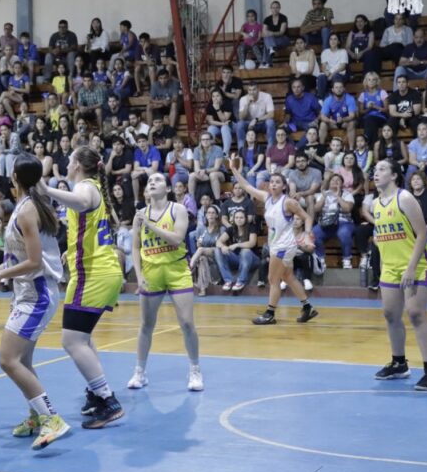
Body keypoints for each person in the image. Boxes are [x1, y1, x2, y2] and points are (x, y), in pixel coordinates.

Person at [0, 155, 70, 451]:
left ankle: (52, 419)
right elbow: (15, 256)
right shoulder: (26, 204)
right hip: (28, 292)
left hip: (38, 294)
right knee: (22, 361)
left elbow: (33, 261)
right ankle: (37, 415)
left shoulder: (27, 210)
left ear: (13, 176)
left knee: (7, 360)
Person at [40, 146, 124, 429]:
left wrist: (46, 189)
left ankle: (107, 399)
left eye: (69, 159)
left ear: (77, 164)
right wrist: (71, 250)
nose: (66, 162)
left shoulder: (87, 188)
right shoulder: (93, 186)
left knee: (71, 340)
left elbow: (81, 201)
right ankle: (96, 393)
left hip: (93, 274)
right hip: (99, 270)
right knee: (82, 338)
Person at [369, 158, 427, 390]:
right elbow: (381, 236)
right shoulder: (375, 204)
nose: (376, 173)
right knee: (390, 313)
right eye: (375, 169)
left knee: (416, 314)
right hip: (390, 266)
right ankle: (399, 364)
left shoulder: (405, 198)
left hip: (417, 263)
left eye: (381, 169)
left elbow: (422, 234)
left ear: (394, 175)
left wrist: (410, 268)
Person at [127, 173, 203, 392]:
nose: (152, 182)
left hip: (177, 270)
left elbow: (177, 238)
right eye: (150, 180)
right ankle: (140, 372)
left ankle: (195, 369)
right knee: (146, 325)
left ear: (167, 189)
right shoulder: (140, 214)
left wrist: (150, 225)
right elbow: (135, 247)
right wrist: (139, 276)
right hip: (151, 272)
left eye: (158, 180)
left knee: (187, 323)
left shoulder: (178, 210)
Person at [226, 157, 319, 325]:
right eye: (272, 181)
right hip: (277, 244)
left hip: (284, 245)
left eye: (278, 182)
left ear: (284, 186)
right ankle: (308, 307)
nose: (274, 184)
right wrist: (234, 170)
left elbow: (307, 217)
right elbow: (247, 186)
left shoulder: (288, 202)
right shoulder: (267, 198)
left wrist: (307, 234)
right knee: (288, 276)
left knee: (272, 279)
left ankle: (270, 313)